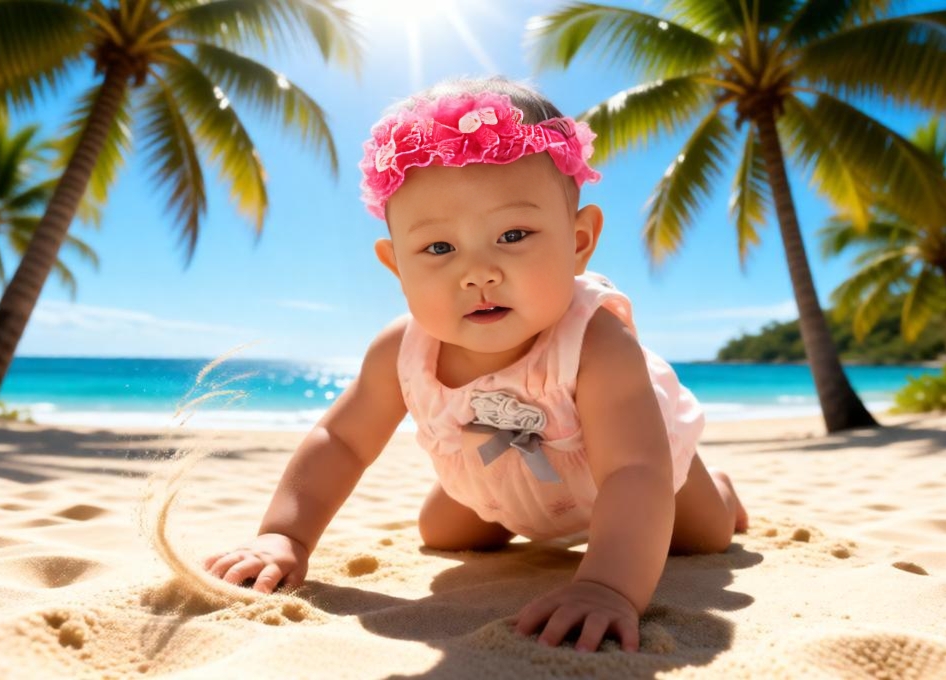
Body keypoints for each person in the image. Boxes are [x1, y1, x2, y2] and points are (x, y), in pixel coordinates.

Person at [204, 77, 747, 653]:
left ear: (579, 240)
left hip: (630, 475)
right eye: (439, 248)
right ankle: (505, 500)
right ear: (396, 265)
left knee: (703, 536)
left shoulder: (596, 343)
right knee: (440, 532)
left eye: (513, 234)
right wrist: (284, 536)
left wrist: (607, 588)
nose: (478, 273)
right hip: (505, 474)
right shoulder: (402, 351)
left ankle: (719, 488)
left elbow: (633, 471)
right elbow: (340, 441)